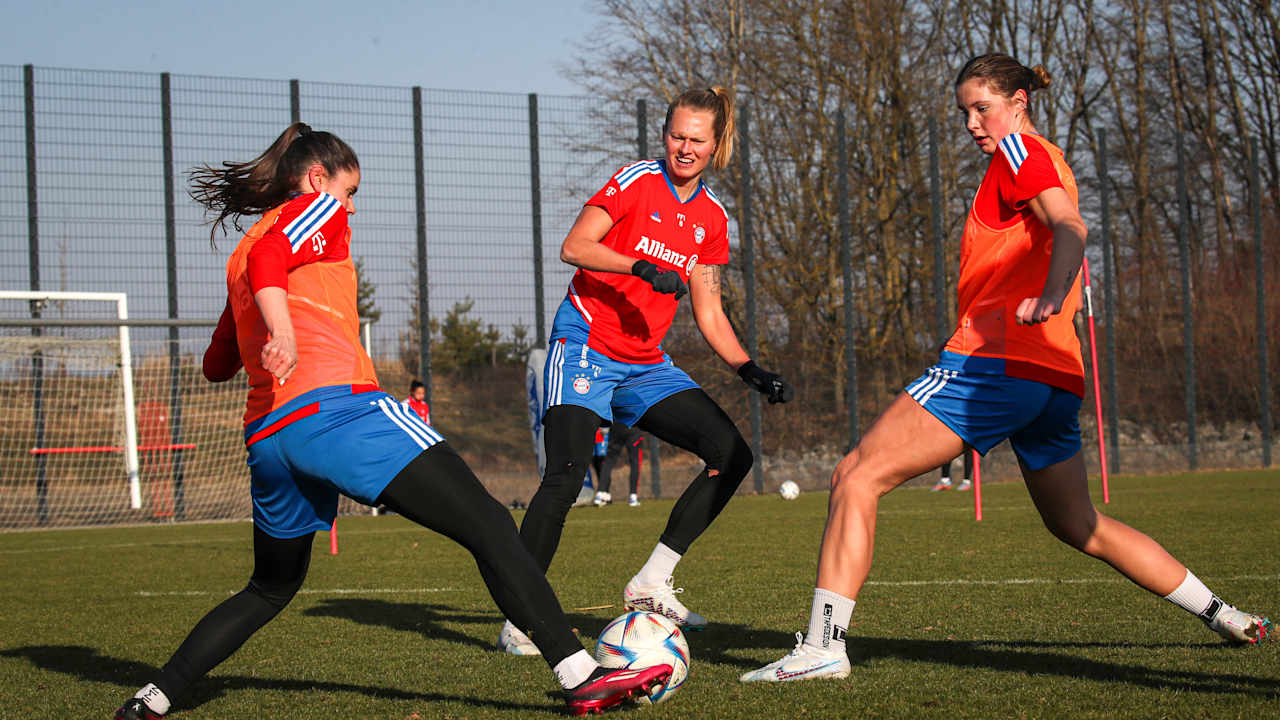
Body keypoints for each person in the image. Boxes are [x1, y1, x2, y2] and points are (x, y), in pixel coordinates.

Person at [740, 54, 1270, 684]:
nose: (971, 122)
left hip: (996, 363)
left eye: (982, 107)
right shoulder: (1049, 159)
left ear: (1019, 104)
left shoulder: (1020, 152)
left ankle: (823, 647)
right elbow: (1059, 227)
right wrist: (1054, 301)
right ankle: (1223, 613)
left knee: (855, 475)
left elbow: (1070, 226)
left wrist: (1052, 294)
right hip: (1054, 375)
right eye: (964, 111)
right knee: (1080, 524)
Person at [112, 123, 669, 719]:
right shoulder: (314, 211)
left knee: (270, 587)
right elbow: (277, 256)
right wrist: (284, 331)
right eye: (350, 191)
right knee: (489, 523)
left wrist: (266, 324)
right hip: (339, 412)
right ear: (317, 179)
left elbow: (215, 365)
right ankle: (581, 675)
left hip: (270, 437)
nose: (349, 208)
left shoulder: (240, 256)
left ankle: (154, 698)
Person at [498, 87, 793, 655]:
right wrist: (639, 265)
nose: (684, 148)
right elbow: (574, 246)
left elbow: (709, 310)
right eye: (677, 135)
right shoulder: (635, 180)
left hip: (644, 363)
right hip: (585, 346)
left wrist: (748, 367)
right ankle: (520, 619)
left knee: (731, 454)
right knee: (566, 475)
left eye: (697, 140)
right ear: (665, 135)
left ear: (716, 145)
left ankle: (652, 583)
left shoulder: (712, 218)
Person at [595, 422, 644, 507]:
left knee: (608, 461)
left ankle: (600, 494)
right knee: (635, 463)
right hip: (633, 427)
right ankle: (633, 497)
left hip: (617, 427)